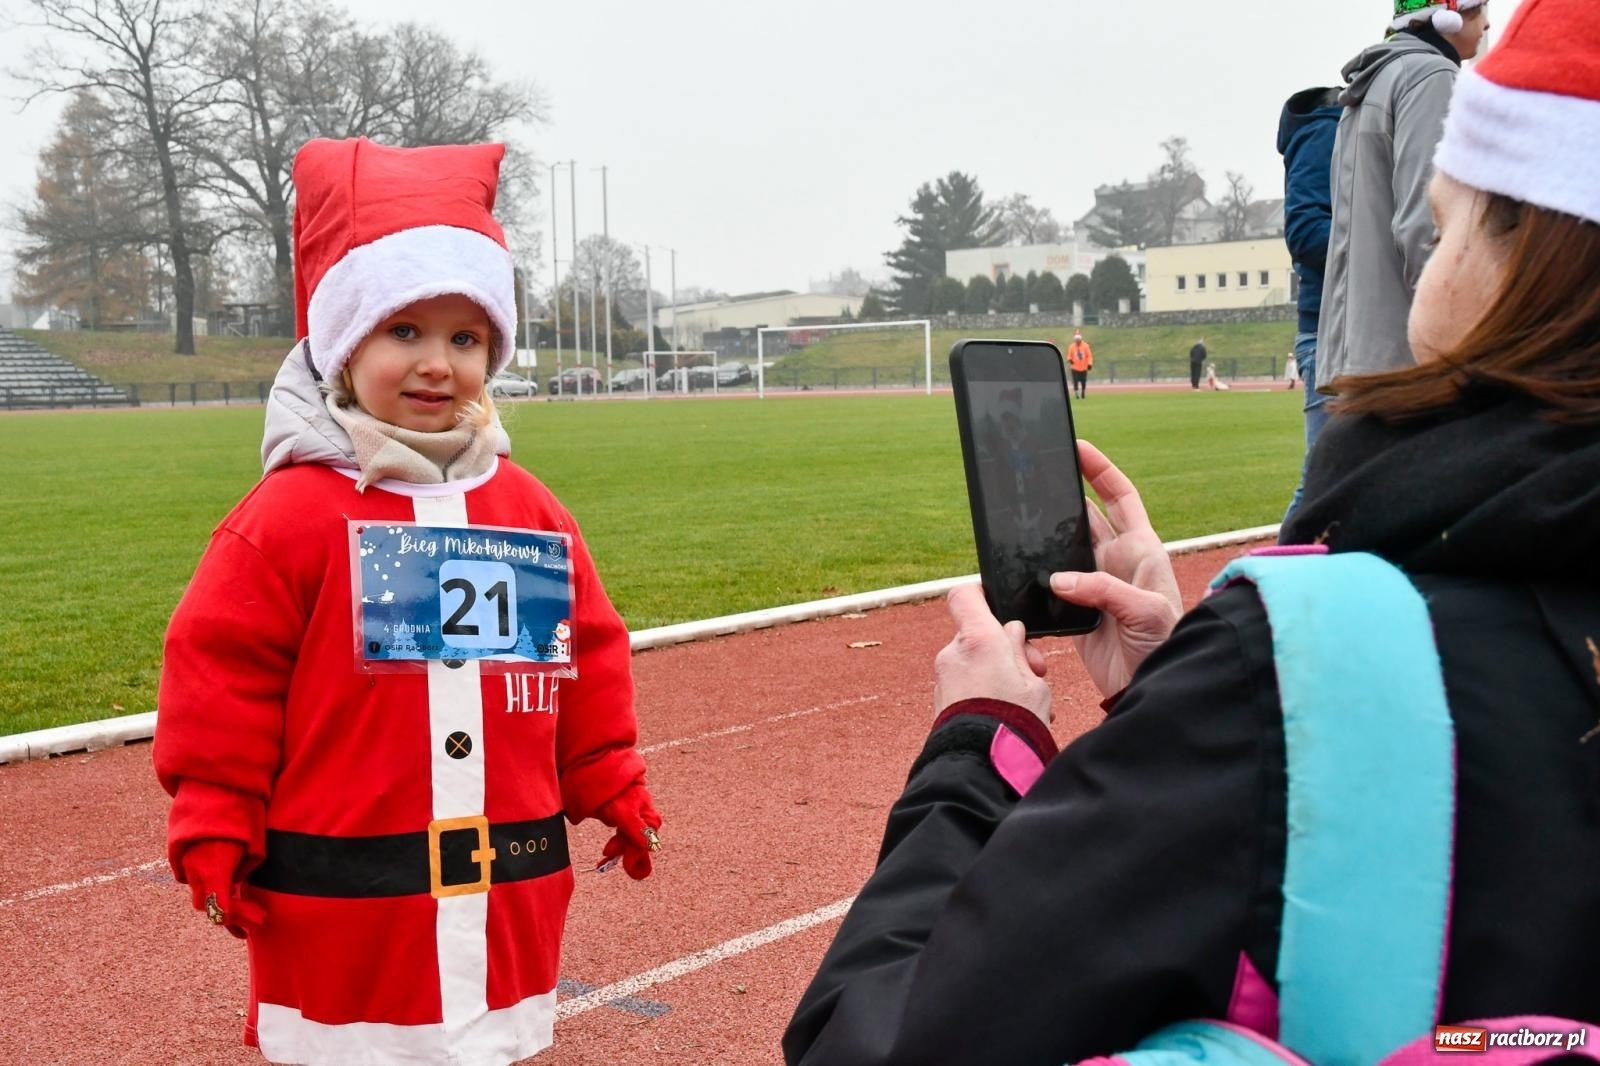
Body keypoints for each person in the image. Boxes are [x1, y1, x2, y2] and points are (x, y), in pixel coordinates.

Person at [783, 2, 1599, 1060]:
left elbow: (889, 1038)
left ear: (1523, 270)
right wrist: (1170, 699)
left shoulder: (1296, 657)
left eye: (1440, 230)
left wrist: (978, 737)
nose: (1423, 272)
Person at [153, 138, 663, 1066]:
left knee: (483, 1038)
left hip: (508, 887)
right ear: (344, 346)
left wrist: (610, 777)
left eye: (465, 338)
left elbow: (584, 654)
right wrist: (214, 818)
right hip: (347, 890)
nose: (438, 364)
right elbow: (222, 674)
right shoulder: (289, 518)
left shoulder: (527, 508)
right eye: (404, 332)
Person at [1316, 0, 1491, 393]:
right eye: (1479, 8)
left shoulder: (1374, 80)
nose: (1487, 22)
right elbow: (1426, 223)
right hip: (1408, 358)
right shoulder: (1431, 75)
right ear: (1447, 15)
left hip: (1362, 350)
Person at [1277, 83, 1341, 518]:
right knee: (1324, 482)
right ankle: (1266, 586)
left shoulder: (1334, 129)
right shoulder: (1326, 130)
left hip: (1340, 324)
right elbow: (1302, 230)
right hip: (1328, 329)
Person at [1066, 330, 1093, 399]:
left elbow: (1089, 355)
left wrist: (1089, 364)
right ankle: (1076, 394)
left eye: (1078, 339)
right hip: (1075, 367)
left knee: (1083, 381)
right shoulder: (1071, 347)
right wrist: (1070, 360)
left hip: (1083, 367)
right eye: (1076, 339)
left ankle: (1083, 392)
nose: (1077, 341)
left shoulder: (1086, 346)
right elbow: (1069, 355)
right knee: (1075, 381)